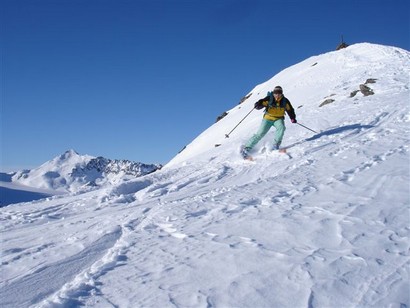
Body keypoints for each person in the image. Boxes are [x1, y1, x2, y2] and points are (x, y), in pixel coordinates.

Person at [241, 86, 297, 159]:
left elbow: (290, 110)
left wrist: (292, 118)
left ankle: (275, 145)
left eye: (279, 93)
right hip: (268, 118)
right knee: (260, 134)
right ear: (273, 93)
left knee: (281, 128)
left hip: (278, 119)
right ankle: (246, 148)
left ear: (281, 93)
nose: (277, 95)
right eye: (276, 93)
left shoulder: (285, 101)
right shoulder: (269, 99)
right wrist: (258, 105)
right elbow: (261, 104)